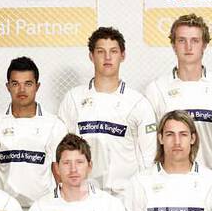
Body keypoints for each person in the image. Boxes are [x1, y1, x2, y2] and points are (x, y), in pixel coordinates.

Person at [55, 27, 157, 201]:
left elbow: (149, 157)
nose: (107, 57)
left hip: (125, 197)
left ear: (123, 56)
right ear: (91, 56)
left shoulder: (138, 103)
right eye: (101, 51)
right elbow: (60, 151)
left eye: (113, 51)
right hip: (82, 197)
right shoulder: (73, 98)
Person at [143, 13, 212, 176]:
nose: (188, 47)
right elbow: (150, 141)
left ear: (204, 45)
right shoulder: (156, 88)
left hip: (211, 181)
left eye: (195, 40)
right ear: (173, 45)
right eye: (182, 40)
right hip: (168, 181)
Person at [0, 57, 68, 210]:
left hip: (43, 210)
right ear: (8, 86)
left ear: (37, 86)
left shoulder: (55, 126)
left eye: (28, 84)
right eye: (15, 84)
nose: (21, 90)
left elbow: (60, 175)